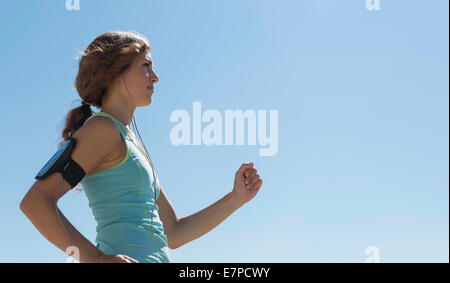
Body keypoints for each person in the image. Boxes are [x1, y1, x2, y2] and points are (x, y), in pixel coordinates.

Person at [19, 30, 263, 263]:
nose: (155, 77)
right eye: (146, 66)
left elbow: (174, 233)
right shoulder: (103, 130)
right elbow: (36, 202)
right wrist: (96, 259)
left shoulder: (130, 140)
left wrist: (236, 198)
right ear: (116, 72)